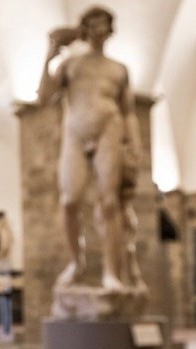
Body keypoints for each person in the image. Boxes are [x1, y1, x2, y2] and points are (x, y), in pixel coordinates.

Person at [37, 6, 142, 290]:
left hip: (110, 129)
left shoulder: (119, 69)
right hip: (75, 131)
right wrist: (50, 54)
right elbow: (44, 97)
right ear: (84, 28)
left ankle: (112, 273)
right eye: (92, 24)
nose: (97, 30)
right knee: (69, 201)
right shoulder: (72, 64)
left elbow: (129, 111)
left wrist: (135, 145)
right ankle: (76, 262)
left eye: (103, 24)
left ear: (109, 30)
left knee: (110, 203)